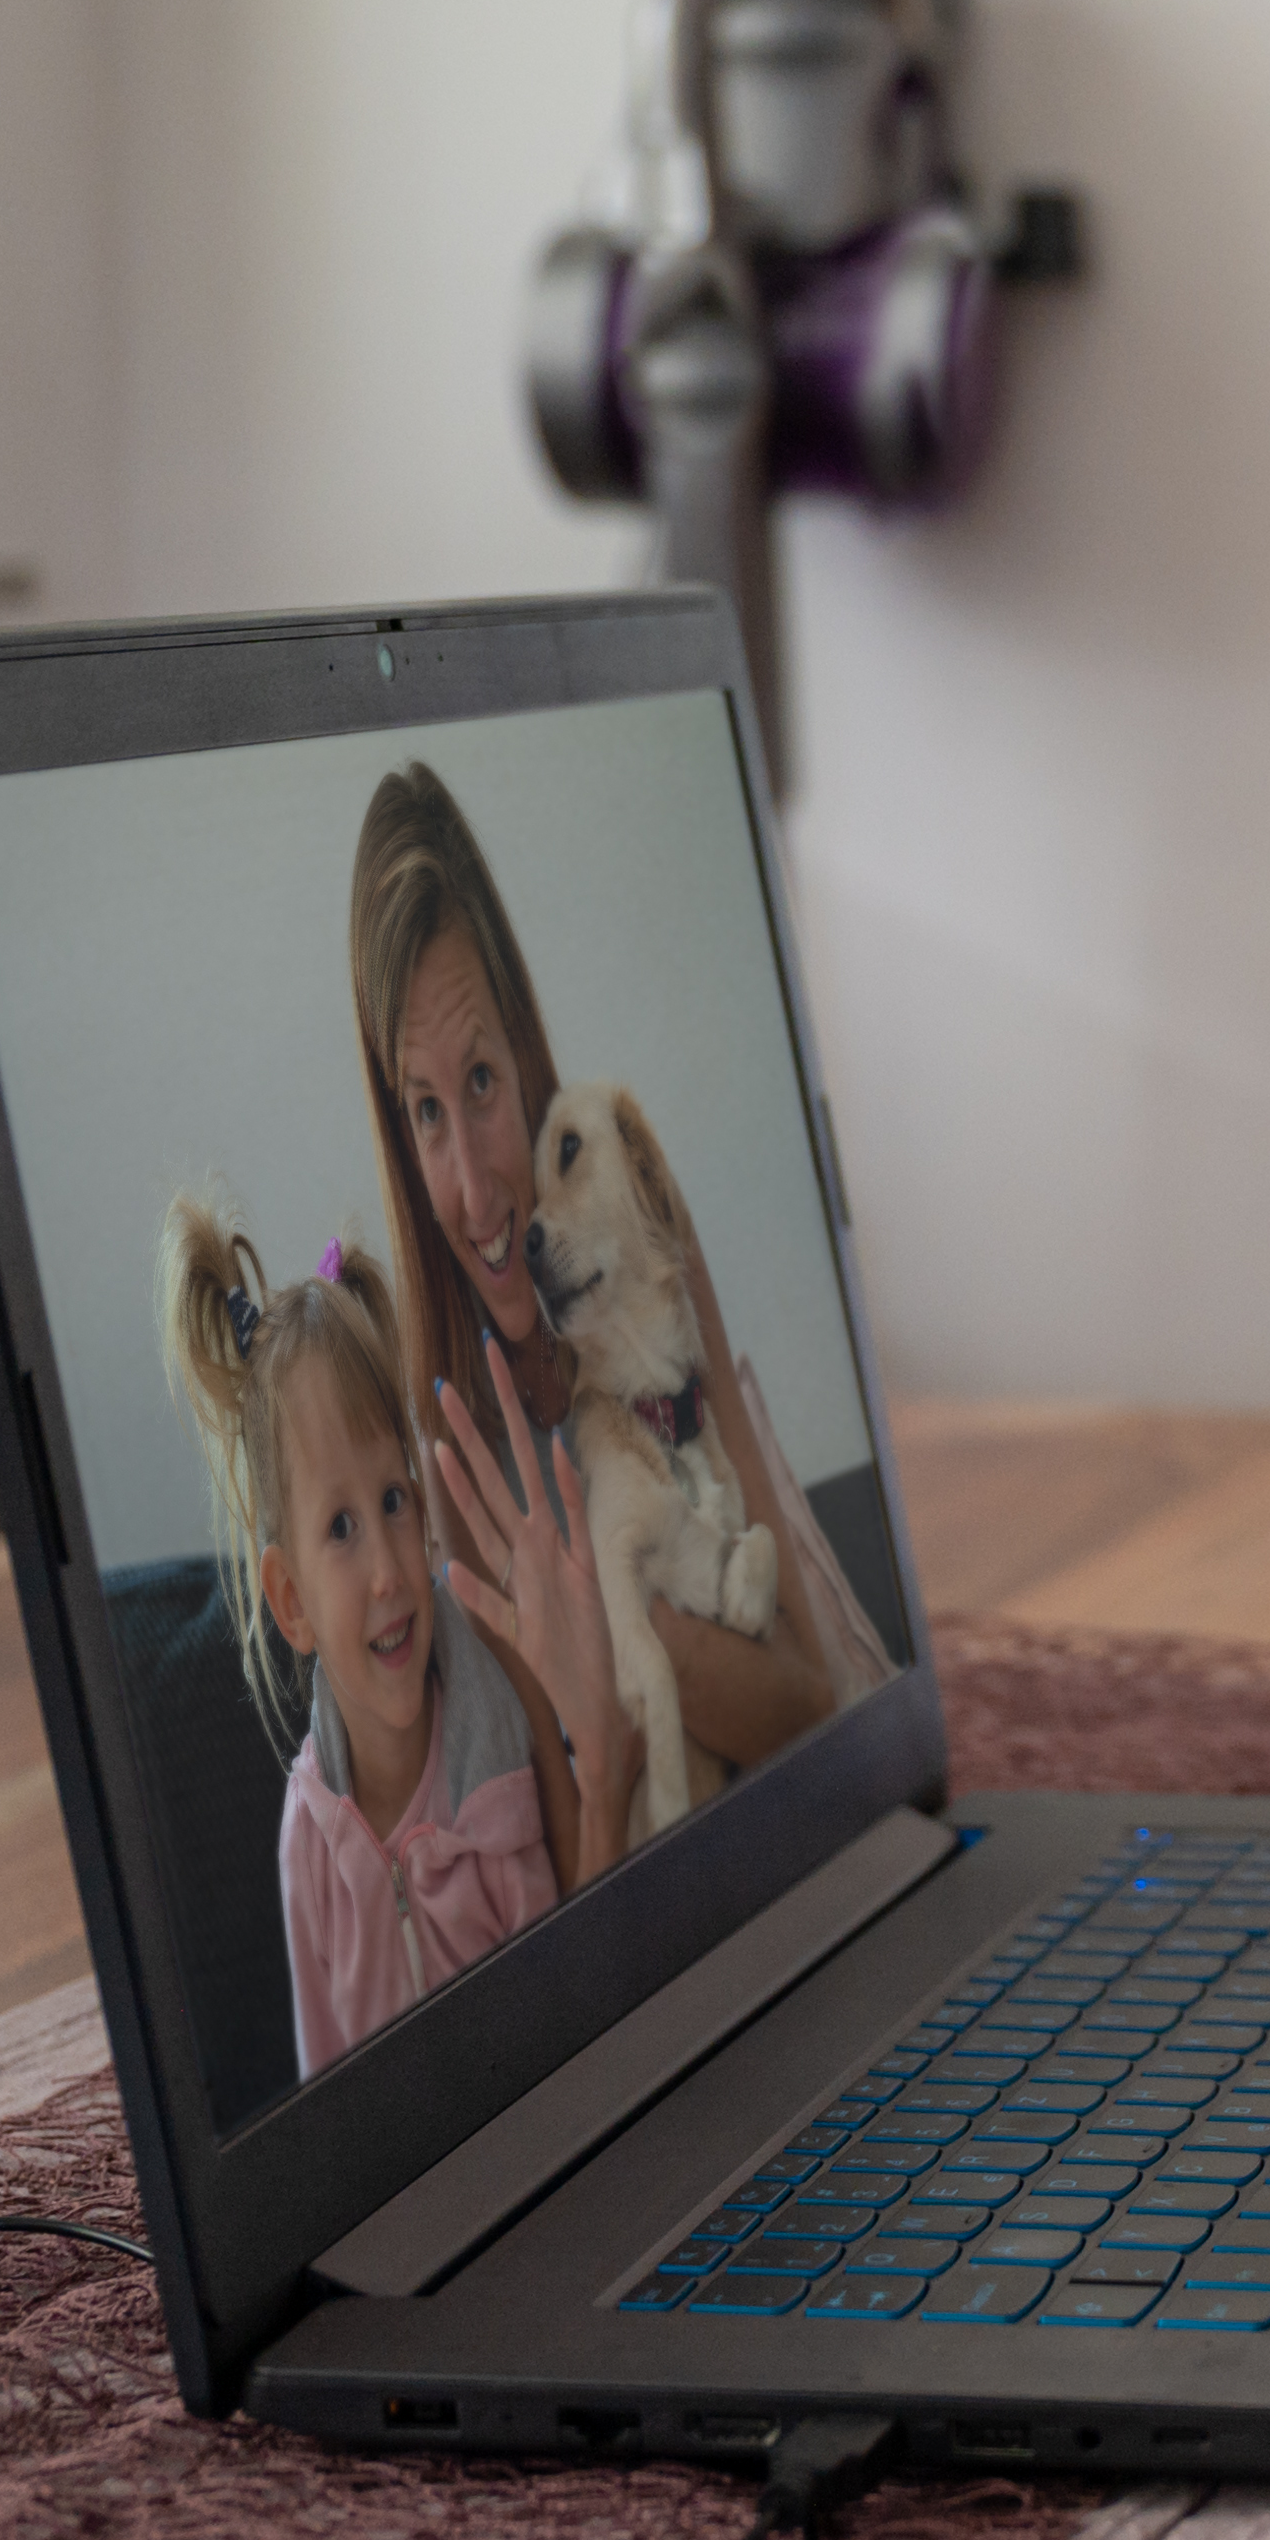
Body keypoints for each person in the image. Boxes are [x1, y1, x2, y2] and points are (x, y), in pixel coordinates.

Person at [349, 761, 892, 1829]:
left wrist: (619, 1623)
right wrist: (615, 1726)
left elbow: (805, 1694)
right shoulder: (451, 1457)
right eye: (424, 1111)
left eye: (482, 1085)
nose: (472, 1186)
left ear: (528, 1052)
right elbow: (579, 1846)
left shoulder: (646, 1247)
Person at [156, 1200, 636, 2076]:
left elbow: (576, 2028)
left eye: (392, 1502)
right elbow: (328, 2093)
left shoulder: (494, 1769)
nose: (386, 1569)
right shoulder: (309, 1839)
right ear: (290, 1602)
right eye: (340, 1527)